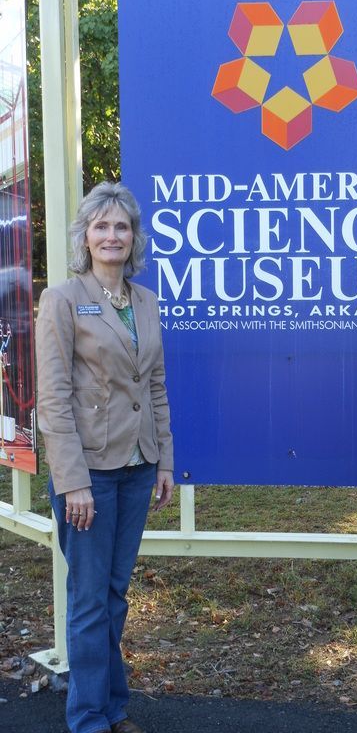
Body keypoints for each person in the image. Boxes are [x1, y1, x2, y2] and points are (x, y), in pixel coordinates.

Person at [36, 182, 174, 733]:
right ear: (85, 237)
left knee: (115, 595)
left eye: (121, 226)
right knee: (90, 601)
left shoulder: (146, 301)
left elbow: (156, 385)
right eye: (101, 226)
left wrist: (163, 461)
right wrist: (73, 482)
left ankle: (114, 707)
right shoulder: (62, 300)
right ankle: (90, 717)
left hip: (138, 468)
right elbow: (53, 398)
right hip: (87, 474)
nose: (112, 235)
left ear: (133, 238)